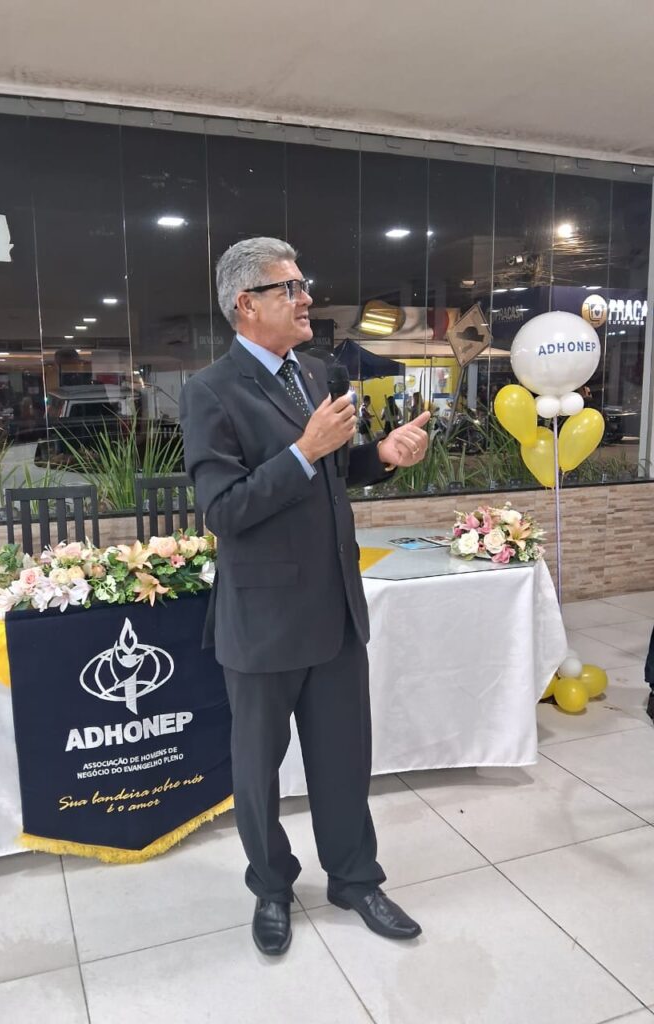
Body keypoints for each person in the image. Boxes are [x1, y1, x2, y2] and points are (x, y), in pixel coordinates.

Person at [180, 237, 430, 957]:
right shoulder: (210, 391)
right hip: (262, 619)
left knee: (344, 759)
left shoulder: (315, 372)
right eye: (289, 288)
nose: (306, 299)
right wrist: (304, 451)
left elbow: (332, 473)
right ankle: (270, 886)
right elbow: (223, 509)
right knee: (258, 771)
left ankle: (355, 880)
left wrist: (381, 456)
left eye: (302, 285)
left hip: (335, 609)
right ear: (246, 304)